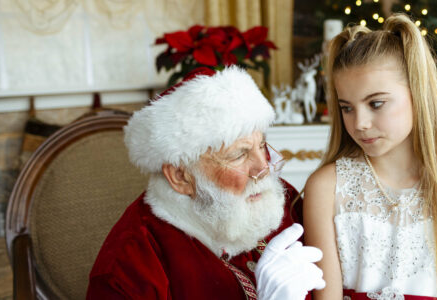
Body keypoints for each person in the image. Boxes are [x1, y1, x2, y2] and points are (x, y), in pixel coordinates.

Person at [87, 66, 325, 299]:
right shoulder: (130, 266)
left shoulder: (281, 200)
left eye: (261, 145)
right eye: (239, 154)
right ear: (181, 177)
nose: (263, 168)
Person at [303, 13, 437, 300]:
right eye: (347, 107)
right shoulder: (327, 187)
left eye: (376, 103)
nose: (360, 123)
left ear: (418, 94)